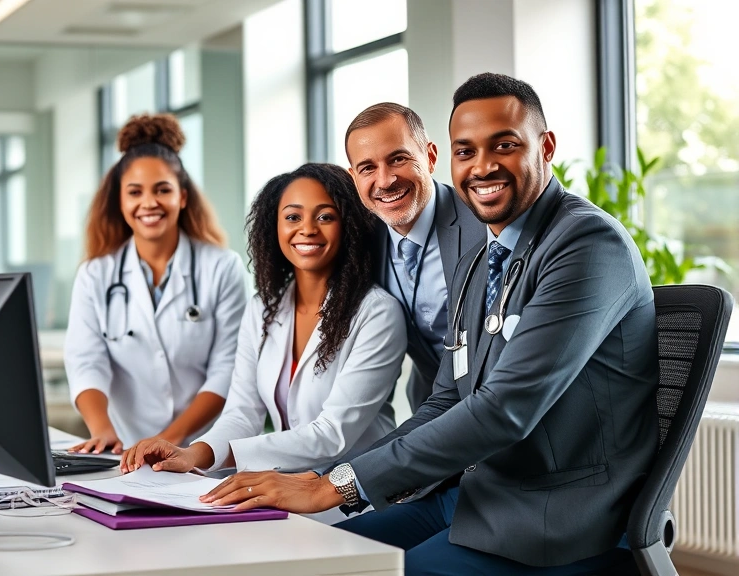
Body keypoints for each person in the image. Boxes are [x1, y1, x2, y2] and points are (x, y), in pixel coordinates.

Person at [197, 73, 658, 575]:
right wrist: (334, 477)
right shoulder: (488, 254)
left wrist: (336, 484)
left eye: (504, 145)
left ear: (545, 146)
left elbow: (505, 409)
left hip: (554, 510)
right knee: (307, 557)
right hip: (477, 489)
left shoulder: (587, 243)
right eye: (468, 151)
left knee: (367, 570)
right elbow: (445, 397)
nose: (483, 166)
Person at [121, 163, 405, 474]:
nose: (307, 229)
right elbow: (243, 412)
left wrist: (202, 457)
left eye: (325, 216)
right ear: (275, 227)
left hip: (357, 496)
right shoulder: (263, 308)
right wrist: (190, 454)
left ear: (349, 226)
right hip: (285, 485)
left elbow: (331, 435)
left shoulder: (377, 313)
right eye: (292, 217)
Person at [65, 113, 247, 453]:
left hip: (204, 450)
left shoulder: (223, 267)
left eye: (162, 190)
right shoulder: (96, 274)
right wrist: (102, 431)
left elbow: (228, 370)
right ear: (120, 201)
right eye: (135, 192)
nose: (149, 203)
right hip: (125, 451)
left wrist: (172, 438)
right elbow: (86, 361)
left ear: (183, 196)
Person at [346, 103, 485, 412]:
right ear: (353, 177)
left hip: (503, 410)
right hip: (429, 408)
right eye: (368, 168)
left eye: (398, 158)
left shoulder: (485, 224)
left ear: (431, 156)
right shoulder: (361, 241)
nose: (384, 181)